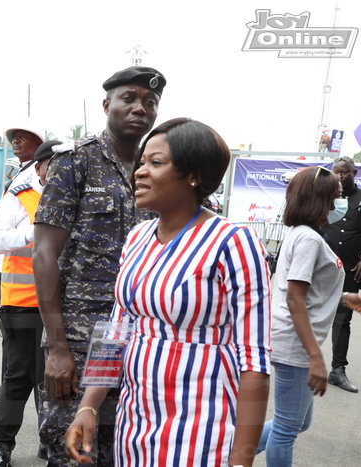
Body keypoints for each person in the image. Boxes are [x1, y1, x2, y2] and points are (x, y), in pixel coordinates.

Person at [64, 118, 271, 466]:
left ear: (194, 175)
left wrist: (242, 459)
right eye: (142, 162)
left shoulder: (234, 242)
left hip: (202, 427)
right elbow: (117, 330)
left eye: (156, 163)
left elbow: (255, 360)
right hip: (135, 423)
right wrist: (88, 405)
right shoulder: (138, 238)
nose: (140, 172)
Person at [32, 66, 166, 466]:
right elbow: (43, 254)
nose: (140, 108)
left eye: (150, 102)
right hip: (78, 338)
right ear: (107, 104)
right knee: (72, 449)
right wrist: (57, 347)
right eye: (129, 98)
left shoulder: (158, 169)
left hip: (139, 337)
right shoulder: (76, 161)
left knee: (127, 446)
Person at [257, 166, 361, 465]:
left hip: (294, 342)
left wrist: (345, 298)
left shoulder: (305, 235)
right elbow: (295, 299)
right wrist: (316, 358)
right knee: (287, 428)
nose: (337, 206)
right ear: (318, 201)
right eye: (334, 199)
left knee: (297, 423)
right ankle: (232, 452)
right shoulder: (308, 239)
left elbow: (306, 292)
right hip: (295, 345)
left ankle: (233, 451)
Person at [0, 140, 60, 467]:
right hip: (23, 305)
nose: (60, 172)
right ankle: (2, 447)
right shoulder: (19, 197)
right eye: (54, 165)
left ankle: (50, 441)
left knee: (54, 381)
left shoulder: (76, 201)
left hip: (62, 309)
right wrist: (34, 232)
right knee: (18, 378)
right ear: (40, 167)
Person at [0, 126, 44, 418]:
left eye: (23, 137)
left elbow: (25, 231)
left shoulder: (37, 177)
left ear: (38, 144)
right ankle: (4, 398)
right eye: (13, 137)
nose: (15, 141)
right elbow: (4, 231)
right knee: (15, 355)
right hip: (18, 287)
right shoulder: (19, 177)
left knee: (37, 361)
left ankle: (37, 421)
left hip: (40, 290)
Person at [321, 156, 361, 393]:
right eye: (337, 172)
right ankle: (296, 362)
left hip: (352, 270)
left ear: (354, 172)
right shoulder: (325, 196)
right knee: (306, 311)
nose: (341, 176)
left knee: (342, 321)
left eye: (345, 172)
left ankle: (337, 370)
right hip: (322, 267)